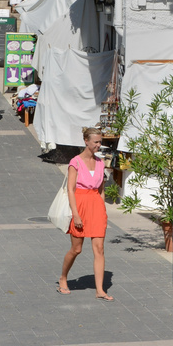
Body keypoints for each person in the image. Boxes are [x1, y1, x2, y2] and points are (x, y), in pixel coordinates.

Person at [58, 127, 113, 299]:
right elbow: (71, 189)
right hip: (80, 206)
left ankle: (100, 290)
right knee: (76, 249)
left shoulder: (100, 163)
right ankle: (63, 278)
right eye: (96, 142)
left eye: (100, 142)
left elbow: (101, 189)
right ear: (86, 141)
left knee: (99, 249)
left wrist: (102, 209)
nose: (99, 145)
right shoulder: (75, 162)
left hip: (96, 207)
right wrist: (75, 213)